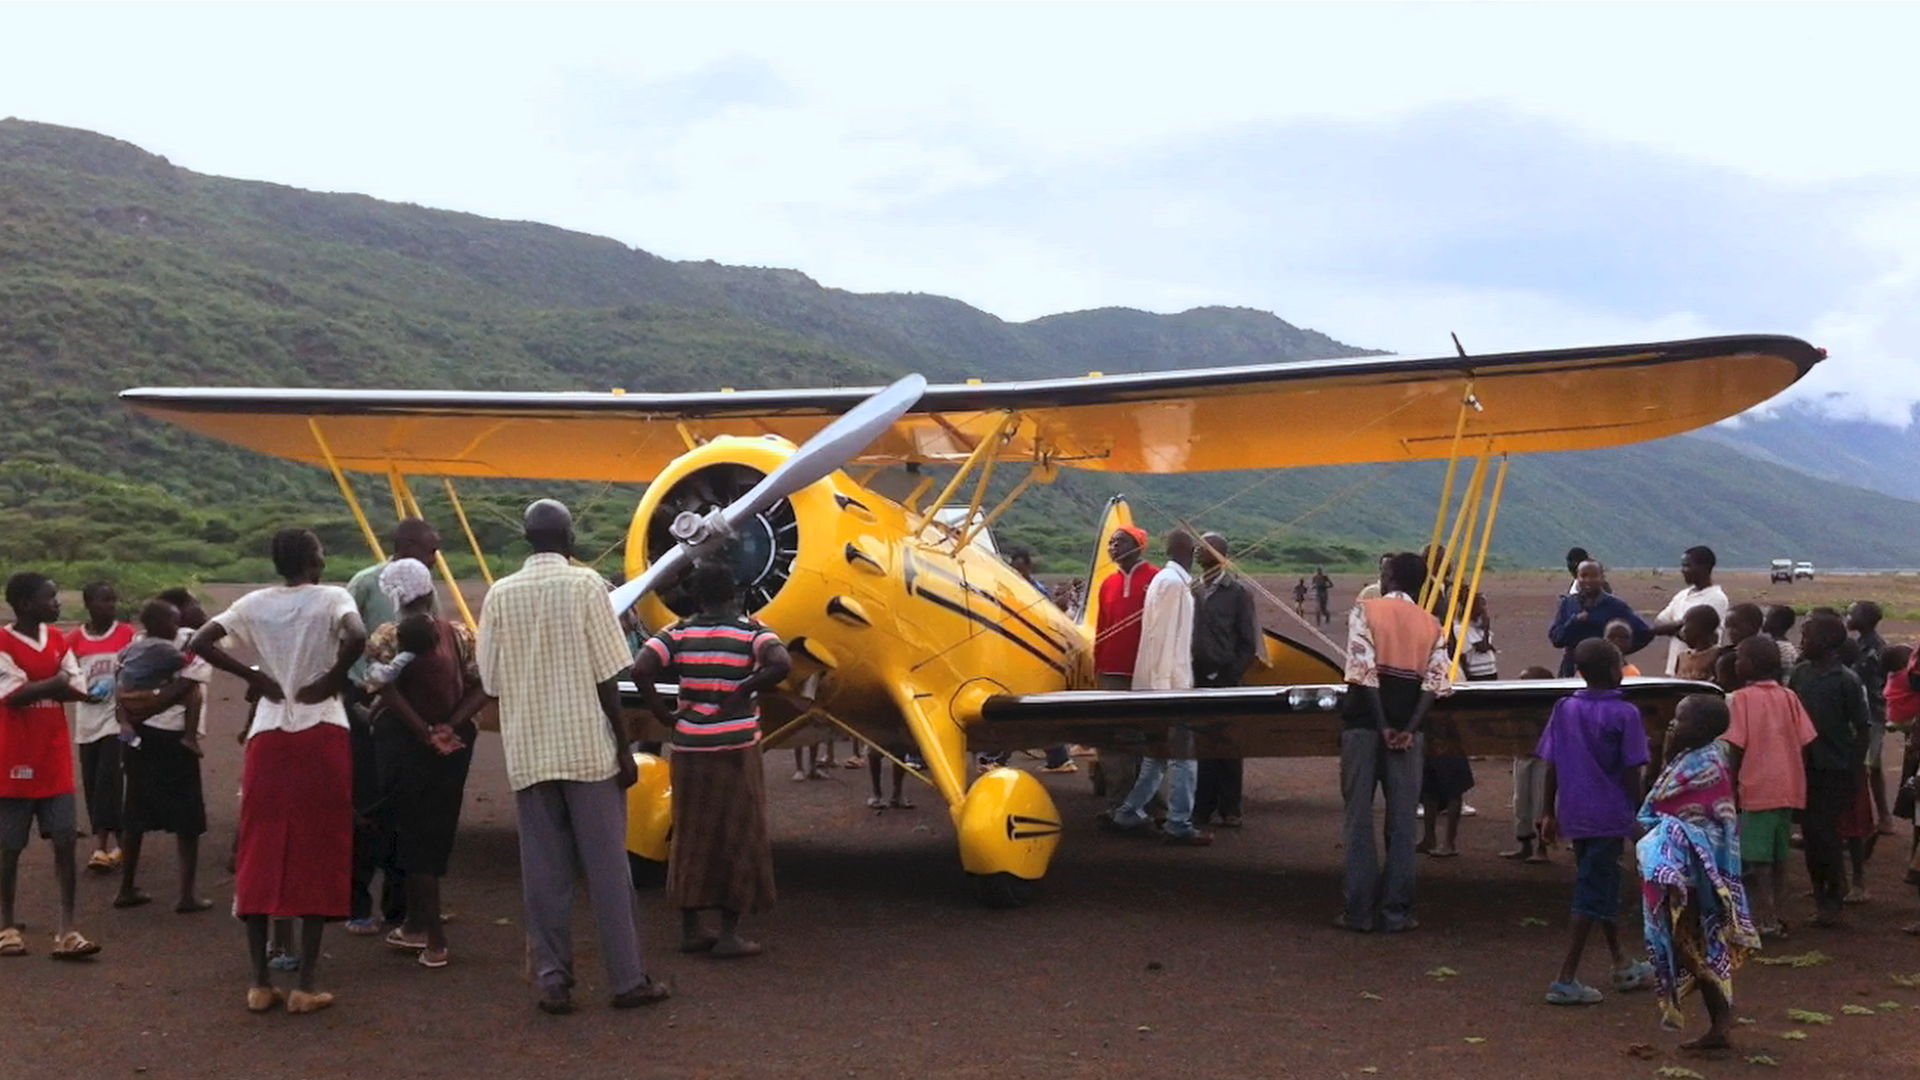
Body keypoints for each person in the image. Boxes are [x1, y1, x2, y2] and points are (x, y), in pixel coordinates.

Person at [467, 499, 667, 1014]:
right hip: (587, 752)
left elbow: (488, 679)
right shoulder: (586, 588)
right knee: (608, 873)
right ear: (569, 537)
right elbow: (608, 676)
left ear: (527, 538)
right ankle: (626, 980)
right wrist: (624, 748)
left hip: (531, 752)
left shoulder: (500, 595)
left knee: (544, 876)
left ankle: (553, 980)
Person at [191, 528, 365, 1013]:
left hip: (269, 734)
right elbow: (358, 636)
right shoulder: (334, 596)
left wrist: (254, 676)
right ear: (314, 559)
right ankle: (306, 983)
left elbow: (202, 640)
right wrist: (331, 679)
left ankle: (260, 982)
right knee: (319, 845)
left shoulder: (253, 603)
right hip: (321, 727)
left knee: (260, 844)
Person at [632, 562, 790, 959]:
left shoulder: (678, 632)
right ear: (733, 593)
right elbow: (781, 663)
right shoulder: (752, 631)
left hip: (689, 749)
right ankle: (729, 934)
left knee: (690, 835)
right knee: (737, 834)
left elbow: (641, 668)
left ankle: (690, 929)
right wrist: (745, 689)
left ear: (696, 597)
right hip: (735, 749)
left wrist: (664, 714)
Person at [364, 557, 487, 970]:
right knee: (434, 832)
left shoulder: (388, 635)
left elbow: (384, 688)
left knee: (412, 836)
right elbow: (484, 685)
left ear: (394, 596)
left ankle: (434, 940)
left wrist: (422, 731)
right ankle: (417, 924)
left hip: (406, 747)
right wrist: (448, 726)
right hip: (452, 748)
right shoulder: (458, 634)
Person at [1535, 638, 1654, 1005]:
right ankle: (1564, 978)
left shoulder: (1564, 707)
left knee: (1600, 884)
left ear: (1580, 672)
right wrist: (1634, 815)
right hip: (1609, 814)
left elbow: (1550, 763)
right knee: (1590, 895)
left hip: (1575, 812)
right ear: (1618, 669)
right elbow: (1634, 770)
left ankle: (1622, 962)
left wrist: (1548, 811)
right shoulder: (1626, 714)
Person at [1337, 552, 1449, 933]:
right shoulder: (1432, 624)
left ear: (1389, 577)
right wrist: (1406, 728)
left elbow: (1363, 672)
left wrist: (1383, 724)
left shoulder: (1365, 611)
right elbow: (1435, 684)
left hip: (1363, 727)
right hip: (1410, 733)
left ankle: (1358, 910)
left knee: (1358, 818)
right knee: (1402, 822)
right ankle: (1396, 912)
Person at [1636, 694, 1756, 1049]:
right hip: (1690, 874)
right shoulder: (1693, 757)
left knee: (1697, 948)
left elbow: (1679, 814)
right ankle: (1720, 1022)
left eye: (1681, 719)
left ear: (1702, 729)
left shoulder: (1705, 766)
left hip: (1698, 876)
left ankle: (1721, 1024)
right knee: (1695, 947)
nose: (1674, 724)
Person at [343, 518, 441, 935]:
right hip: (366, 701)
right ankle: (357, 903)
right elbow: (344, 640)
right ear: (404, 546)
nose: (435, 558)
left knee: (404, 806)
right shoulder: (364, 583)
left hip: (407, 708)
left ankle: (400, 907)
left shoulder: (427, 591)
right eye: (429, 550)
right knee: (367, 803)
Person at [0, 572, 98, 960]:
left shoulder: (57, 639)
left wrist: (40, 684)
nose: (57, 604)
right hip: (13, 758)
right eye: (51, 597)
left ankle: (67, 929)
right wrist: (53, 681)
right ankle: (7, 925)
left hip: (54, 757)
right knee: (9, 847)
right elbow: (12, 694)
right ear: (25, 604)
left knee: (64, 841)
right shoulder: (3, 641)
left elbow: (78, 687)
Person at [1100, 530, 1207, 845]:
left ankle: (1128, 812)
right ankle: (1178, 823)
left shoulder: (1162, 579)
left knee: (1155, 755)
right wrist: (1165, 690)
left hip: (1158, 680)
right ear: (1190, 550)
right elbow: (1162, 642)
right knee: (1183, 755)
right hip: (1168, 684)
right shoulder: (1172, 583)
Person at [113, 598, 213, 914]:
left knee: (136, 813)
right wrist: (157, 704)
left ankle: (127, 888)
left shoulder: (137, 643)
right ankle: (186, 894)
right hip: (171, 737)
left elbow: (122, 682)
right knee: (187, 818)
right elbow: (187, 683)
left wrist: (136, 712)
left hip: (141, 735)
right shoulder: (190, 645)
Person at [1722, 635, 1815, 938]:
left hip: (1756, 787)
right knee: (1778, 858)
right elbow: (1804, 741)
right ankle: (1776, 914)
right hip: (1788, 786)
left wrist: (1730, 786)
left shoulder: (1740, 699)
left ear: (1750, 665)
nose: (1736, 662)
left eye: (1740, 657)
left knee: (1757, 860)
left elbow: (1735, 747)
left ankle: (1767, 918)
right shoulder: (1789, 696)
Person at [1787, 612, 1870, 927]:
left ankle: (1832, 899)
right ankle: (1822, 891)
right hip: (1805, 767)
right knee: (1812, 835)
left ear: (1825, 642)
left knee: (1827, 835)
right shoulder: (1801, 674)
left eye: (1806, 637)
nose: (1801, 642)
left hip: (1835, 768)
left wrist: (1854, 770)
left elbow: (1862, 728)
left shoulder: (1846, 680)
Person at [1190, 533, 1261, 829]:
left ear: (1219, 554)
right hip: (1195, 677)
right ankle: (1202, 809)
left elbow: (1248, 642)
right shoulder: (1191, 590)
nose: (1197, 550)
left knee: (1228, 745)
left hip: (1226, 678)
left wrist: (1229, 674)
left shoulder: (1238, 592)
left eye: (1203, 547)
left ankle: (1231, 808)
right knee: (1201, 745)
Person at [1089, 526, 1158, 813]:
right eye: (1111, 542)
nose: (1113, 546)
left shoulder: (1156, 579)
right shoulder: (1107, 584)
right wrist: (1098, 665)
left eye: (1120, 542)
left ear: (1139, 546)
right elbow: (1102, 627)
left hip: (1145, 673)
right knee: (1113, 741)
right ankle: (1118, 803)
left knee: (1148, 740)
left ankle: (1151, 804)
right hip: (1111, 673)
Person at [67, 581, 134, 873]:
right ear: (88, 604)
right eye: (103, 600)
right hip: (86, 721)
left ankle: (100, 845)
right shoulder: (73, 640)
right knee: (93, 782)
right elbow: (66, 675)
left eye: (112, 600)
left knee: (109, 780)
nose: (110, 605)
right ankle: (122, 843)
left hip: (115, 720)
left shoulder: (126, 634)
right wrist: (81, 693)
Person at [1548, 560, 1651, 677]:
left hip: (1605, 672)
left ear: (1602, 578)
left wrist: (1618, 651)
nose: (1588, 580)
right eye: (1583, 576)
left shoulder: (1615, 606)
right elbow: (1556, 639)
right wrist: (1574, 621)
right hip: (1571, 670)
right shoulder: (1568, 604)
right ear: (1577, 578)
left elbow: (1645, 632)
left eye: (1594, 576)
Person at [1500, 666, 1557, 863]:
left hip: (1542, 758)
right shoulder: (1517, 706)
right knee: (1521, 802)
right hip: (1523, 755)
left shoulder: (1551, 707)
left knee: (1540, 802)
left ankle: (1542, 848)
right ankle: (1524, 845)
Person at [1846, 601, 1893, 834]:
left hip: (1871, 714)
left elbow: (1855, 678)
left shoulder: (1871, 649)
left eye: (1852, 612)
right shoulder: (1865, 644)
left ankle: (1861, 824)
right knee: (1873, 766)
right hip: (1872, 714)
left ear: (1864, 618)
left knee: (1864, 768)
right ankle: (1884, 818)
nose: (1848, 615)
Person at [1648, 546, 1730, 676]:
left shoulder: (1717, 598)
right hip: (1676, 669)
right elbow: (1657, 625)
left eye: (1687, 566)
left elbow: (1702, 635)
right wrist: (1682, 626)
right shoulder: (1682, 595)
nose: (1682, 571)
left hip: (1702, 671)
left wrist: (1673, 628)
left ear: (1704, 567)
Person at [1712, 604, 1765, 691]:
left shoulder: (1763, 654)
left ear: (1753, 626)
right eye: (1727, 627)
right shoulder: (1723, 652)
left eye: (1734, 626)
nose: (1730, 632)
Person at [1671, 606, 1723, 683]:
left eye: (1685, 624)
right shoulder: (1682, 657)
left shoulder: (1717, 656)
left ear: (1700, 628)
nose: (1683, 630)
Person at [1459, 593, 1497, 681]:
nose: (1485, 609)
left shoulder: (1479, 626)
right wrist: (1486, 629)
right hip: (1477, 673)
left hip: (1490, 670)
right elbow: (1482, 648)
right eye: (1482, 605)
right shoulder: (1464, 628)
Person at [1763, 605, 1800, 671]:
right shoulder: (1788, 647)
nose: (1765, 620)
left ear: (1774, 622)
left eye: (1768, 617)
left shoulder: (1778, 648)